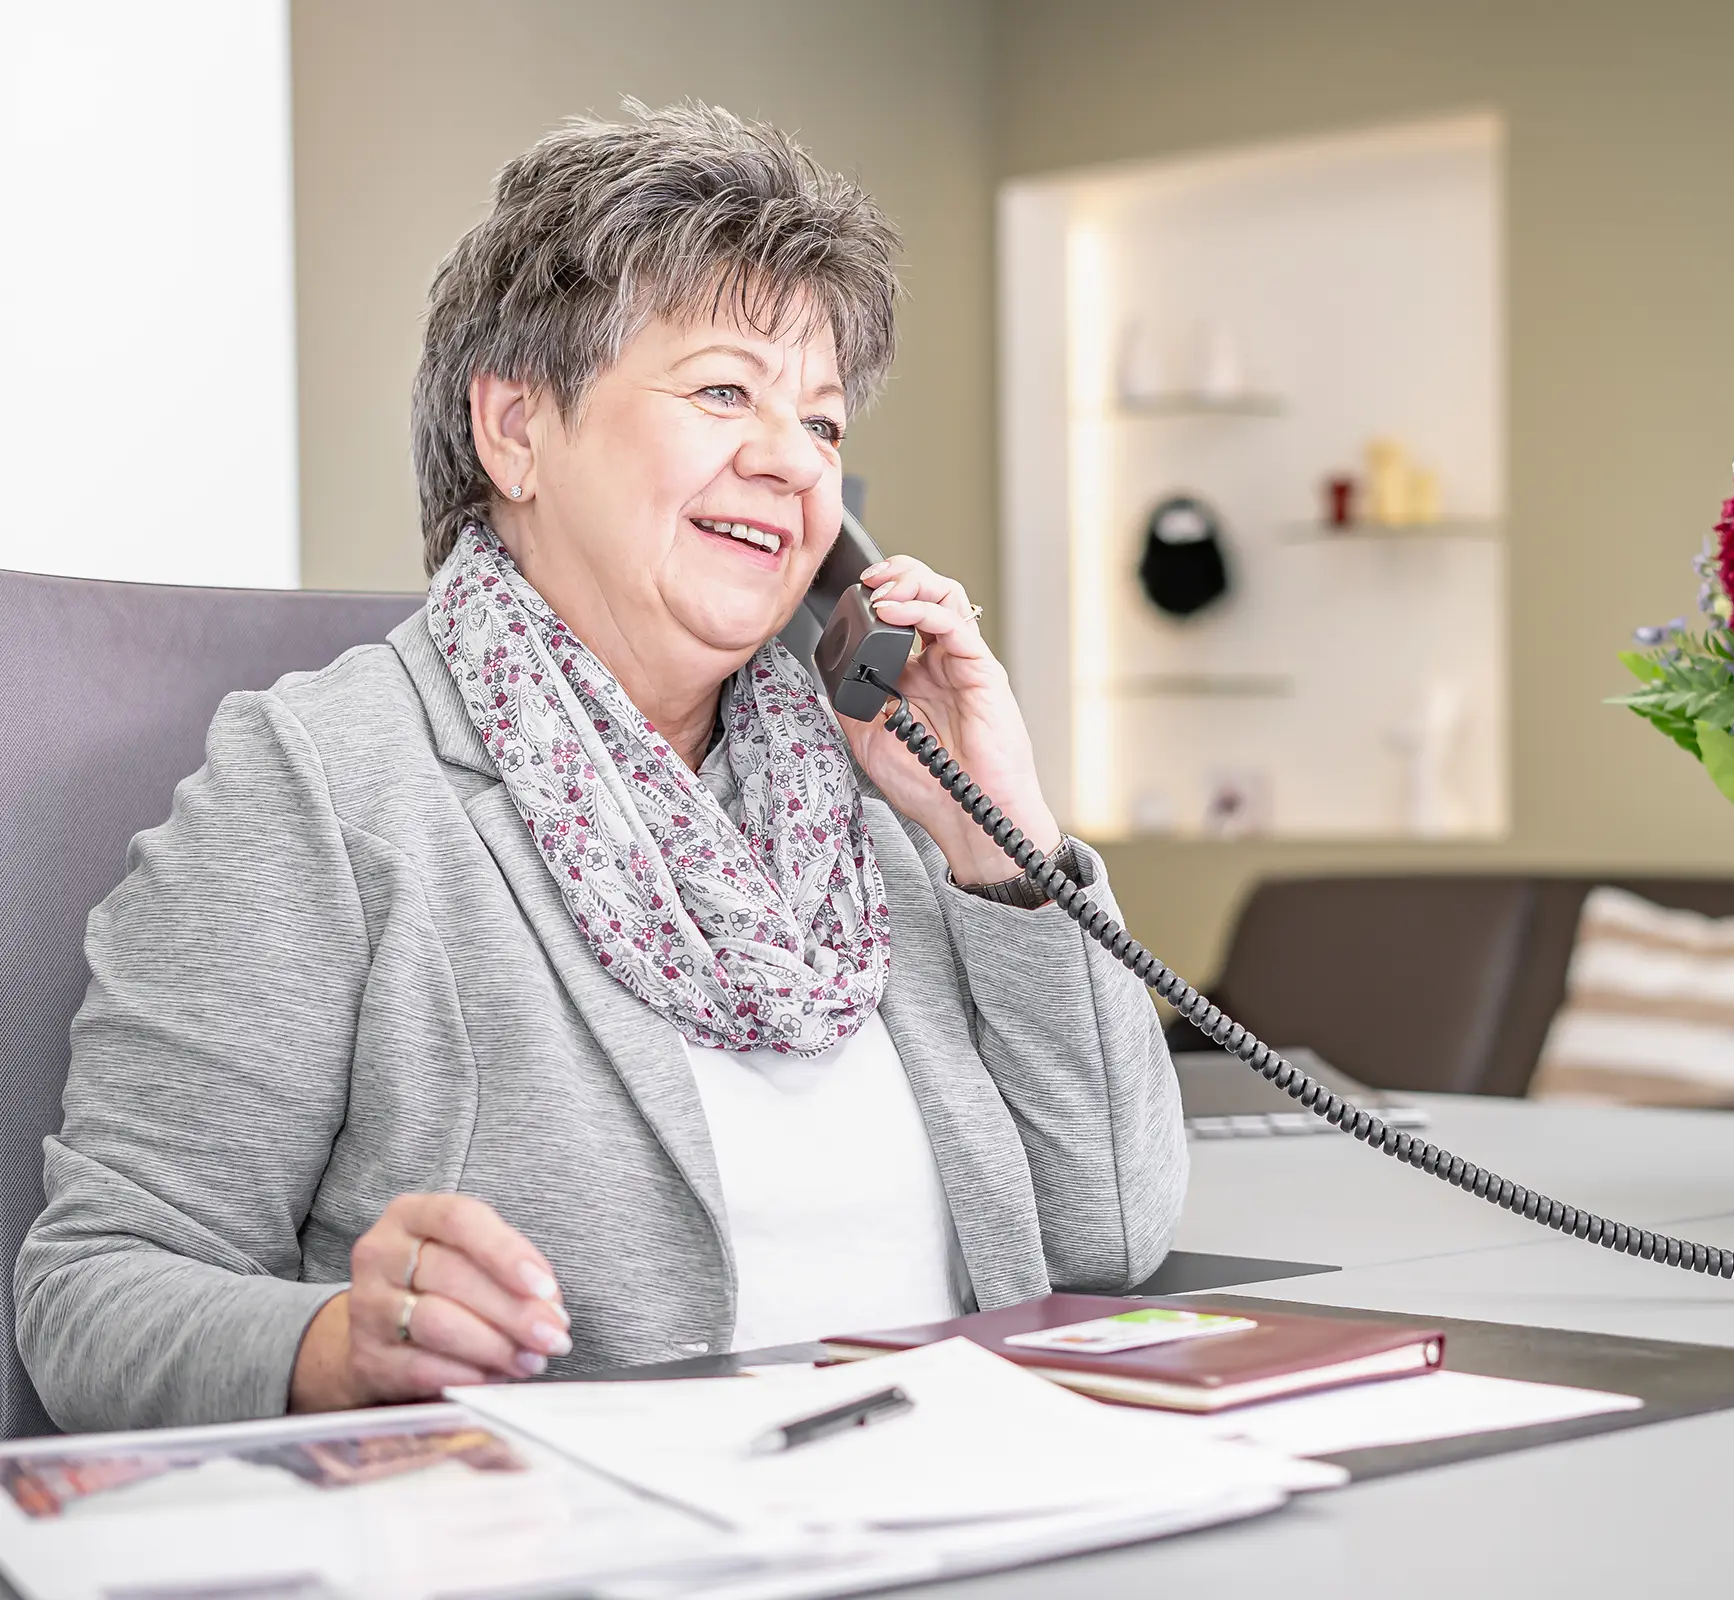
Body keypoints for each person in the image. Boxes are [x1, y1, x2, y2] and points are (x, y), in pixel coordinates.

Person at [15, 102, 1186, 1432]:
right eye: (725, 392)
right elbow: (92, 1295)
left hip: (976, 1504)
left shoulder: (884, 788)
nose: (794, 465)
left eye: (823, 421)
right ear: (515, 428)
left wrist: (1002, 842)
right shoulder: (324, 791)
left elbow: (1114, 1228)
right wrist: (335, 1342)